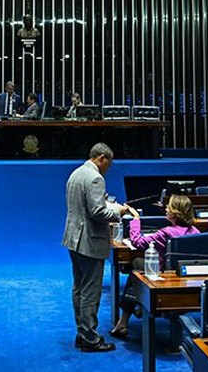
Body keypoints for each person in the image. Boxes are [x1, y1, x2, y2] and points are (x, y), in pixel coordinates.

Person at [62, 143, 127, 353]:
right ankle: (90, 338)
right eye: (110, 162)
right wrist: (118, 212)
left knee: (79, 288)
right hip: (89, 241)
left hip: (73, 239)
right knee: (90, 291)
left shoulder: (76, 173)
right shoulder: (96, 178)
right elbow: (98, 212)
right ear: (102, 158)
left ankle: (82, 333)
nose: (109, 167)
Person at [110, 194, 200, 339]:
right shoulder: (196, 232)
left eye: (169, 206)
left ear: (175, 213)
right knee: (138, 266)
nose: (166, 208)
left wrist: (136, 220)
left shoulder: (166, 233)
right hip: (186, 278)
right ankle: (135, 309)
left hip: (164, 278)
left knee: (136, 269)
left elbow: (138, 242)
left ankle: (125, 319)